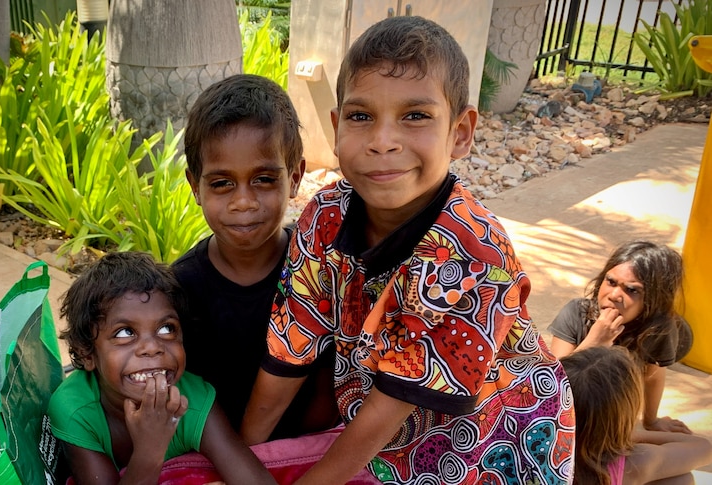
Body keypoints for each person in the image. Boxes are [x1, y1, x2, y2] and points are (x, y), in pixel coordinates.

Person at [240, 15, 574, 484]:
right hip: (387, 445)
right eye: (361, 117)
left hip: (497, 445)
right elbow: (290, 347)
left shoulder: (474, 254)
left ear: (460, 132)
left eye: (415, 116)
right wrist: (243, 459)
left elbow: (384, 414)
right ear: (336, 128)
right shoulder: (325, 216)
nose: (382, 142)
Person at [172, 74, 339, 439]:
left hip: (310, 454)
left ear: (295, 177)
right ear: (194, 186)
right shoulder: (178, 290)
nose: (243, 201)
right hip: (215, 457)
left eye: (263, 179)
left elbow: (329, 390)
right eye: (221, 183)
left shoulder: (317, 266)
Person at [46, 251, 275, 484]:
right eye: (125, 333)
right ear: (87, 353)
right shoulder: (75, 409)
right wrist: (150, 450)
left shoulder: (194, 400)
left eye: (166, 328)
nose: (152, 347)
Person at [549, 240, 694, 433]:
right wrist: (595, 342)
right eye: (611, 282)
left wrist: (651, 421)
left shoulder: (658, 328)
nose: (615, 295)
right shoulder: (577, 313)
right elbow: (553, 385)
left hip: (612, 424)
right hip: (563, 419)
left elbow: (654, 377)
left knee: (696, 445)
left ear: (652, 300)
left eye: (632, 290)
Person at [562, 346, 712, 484]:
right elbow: (704, 447)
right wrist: (622, 437)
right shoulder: (634, 464)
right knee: (681, 480)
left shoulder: (542, 450)